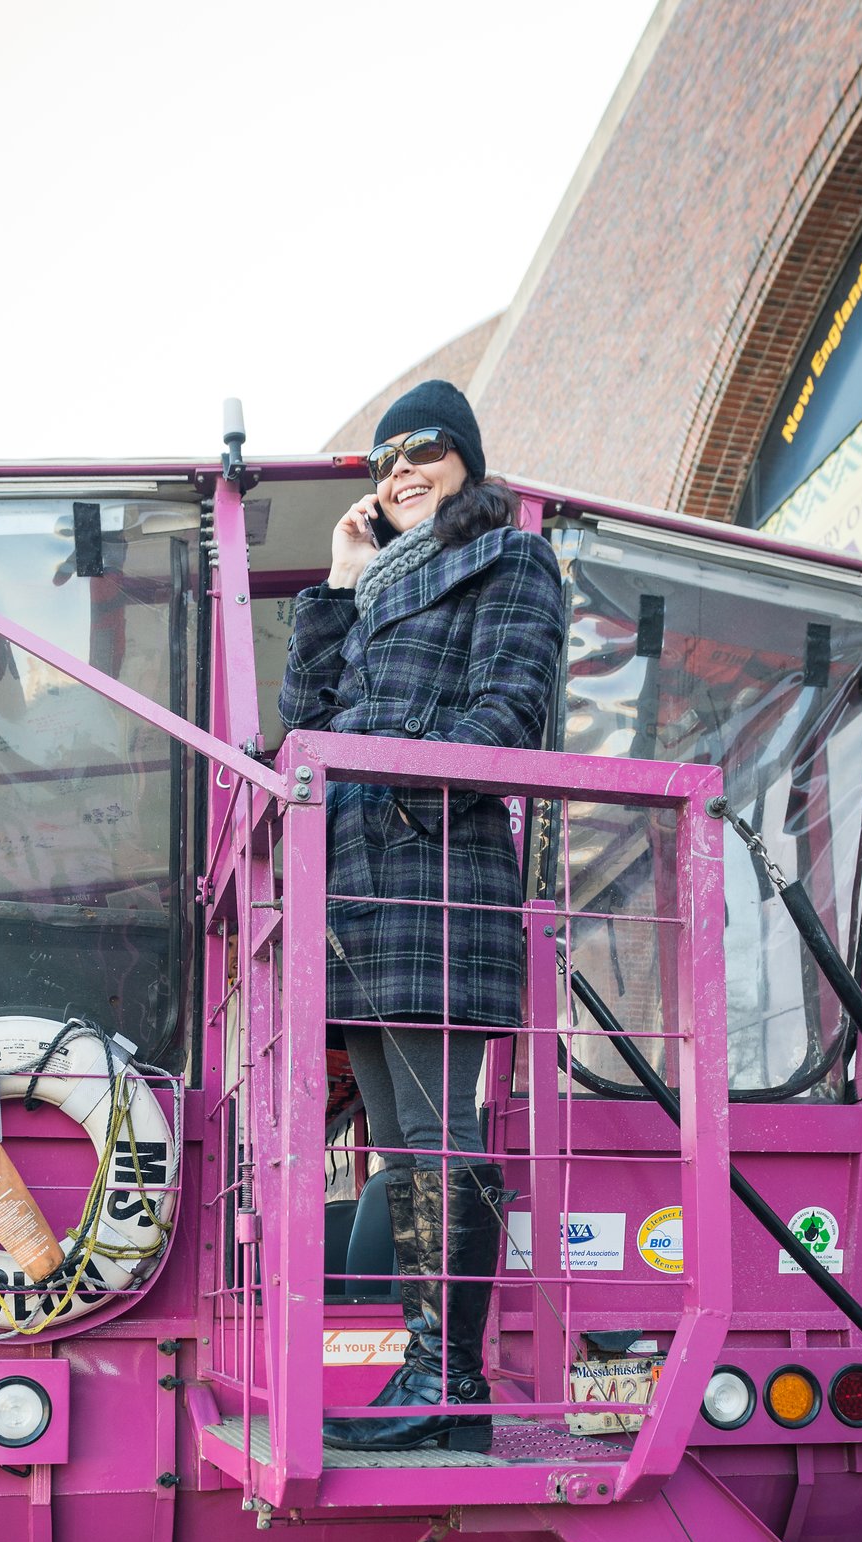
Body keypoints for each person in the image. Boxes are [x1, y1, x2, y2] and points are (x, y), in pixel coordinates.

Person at [279, 380, 565, 1451]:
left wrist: (399, 794)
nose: (397, 468)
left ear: (467, 460)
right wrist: (341, 585)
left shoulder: (508, 558)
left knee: (442, 1136)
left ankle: (449, 1387)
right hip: (356, 893)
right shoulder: (378, 584)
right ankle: (425, 1378)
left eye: (422, 447)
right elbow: (303, 719)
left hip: (432, 869)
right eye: (380, 458)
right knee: (402, 1147)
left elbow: (510, 710)